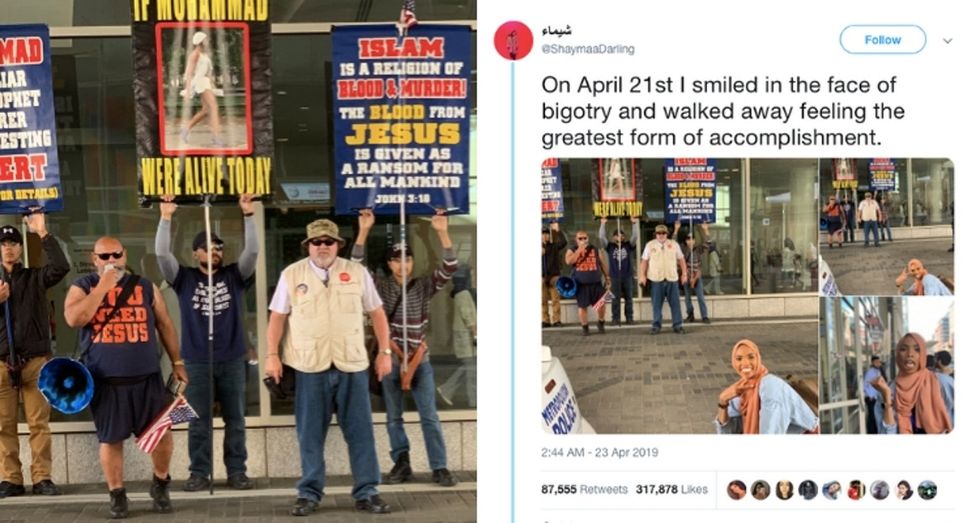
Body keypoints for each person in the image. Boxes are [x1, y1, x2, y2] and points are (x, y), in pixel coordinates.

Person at [265, 218, 393, 516]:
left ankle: (367, 492)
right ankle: (309, 493)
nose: (322, 246)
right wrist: (272, 355)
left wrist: (384, 352)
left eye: (328, 241)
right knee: (309, 434)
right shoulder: (291, 274)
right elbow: (277, 318)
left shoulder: (357, 272)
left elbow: (377, 314)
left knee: (361, 433)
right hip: (309, 366)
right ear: (307, 245)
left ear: (339, 245)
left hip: (352, 365)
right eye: (316, 242)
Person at [63, 237, 187, 518]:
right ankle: (117, 494)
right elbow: (74, 319)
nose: (111, 261)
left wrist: (177, 362)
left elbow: (165, 324)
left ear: (124, 255)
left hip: (148, 379)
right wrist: (102, 289)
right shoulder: (82, 287)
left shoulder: (144, 286)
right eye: (104, 256)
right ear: (94, 259)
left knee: (163, 434)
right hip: (107, 383)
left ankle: (160, 483)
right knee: (110, 440)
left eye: (116, 255)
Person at [155, 194, 258, 492]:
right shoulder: (184, 278)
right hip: (197, 360)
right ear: (195, 253)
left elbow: (252, 252)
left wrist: (249, 216)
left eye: (218, 248)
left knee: (235, 420)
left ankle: (237, 471)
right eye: (207, 248)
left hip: (233, 359)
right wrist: (165, 217)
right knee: (198, 421)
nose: (214, 252)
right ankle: (199, 472)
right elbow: (162, 255)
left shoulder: (234, 275)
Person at [351, 209, 459, 489]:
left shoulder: (423, 285)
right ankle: (402, 462)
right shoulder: (381, 287)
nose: (402, 265)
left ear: (412, 262)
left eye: (406, 259)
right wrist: (363, 231)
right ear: (389, 264)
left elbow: (449, 266)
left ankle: (440, 467)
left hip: (420, 359)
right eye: (396, 260)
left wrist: (441, 232)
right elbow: (356, 267)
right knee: (393, 417)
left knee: (430, 416)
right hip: (391, 357)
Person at [0, 214, 70, 498]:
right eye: (3, 243)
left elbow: (61, 267)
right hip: (2, 364)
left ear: (20, 248)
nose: (8, 248)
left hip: (34, 362)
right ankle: (11, 479)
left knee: (38, 424)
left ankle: (42, 477)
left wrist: (42, 233)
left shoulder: (34, 277)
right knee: (3, 425)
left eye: (13, 243)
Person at [715, 339, 818, 434]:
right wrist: (723, 401)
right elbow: (727, 433)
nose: (745, 363)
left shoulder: (771, 386)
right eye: (739, 359)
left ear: (758, 358)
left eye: (751, 357)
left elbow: (771, 431)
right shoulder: (741, 388)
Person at [871, 333, 953, 434]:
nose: (910, 354)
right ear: (897, 355)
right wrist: (887, 399)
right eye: (903, 349)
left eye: (917, 349)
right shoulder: (887, 390)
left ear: (923, 355)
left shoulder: (943, 383)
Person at [438, 266, 476, 408]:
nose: (473, 278)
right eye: (471, 275)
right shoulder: (464, 294)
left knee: (469, 368)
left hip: (463, 338)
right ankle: (472, 401)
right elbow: (469, 318)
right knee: (471, 370)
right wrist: (476, 336)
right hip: (466, 339)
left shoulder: (460, 294)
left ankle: (448, 390)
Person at [638, 224, 687, 335]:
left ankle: (678, 325)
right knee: (656, 305)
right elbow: (644, 261)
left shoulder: (674, 244)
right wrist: (642, 275)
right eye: (659, 233)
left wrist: (684, 274)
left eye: (663, 233)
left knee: (675, 304)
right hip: (656, 280)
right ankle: (656, 325)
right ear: (655, 234)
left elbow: (681, 259)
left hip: (671, 279)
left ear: (667, 234)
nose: (661, 235)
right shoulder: (650, 245)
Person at [179, 31, 224, 147]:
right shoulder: (195, 54)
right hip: (200, 83)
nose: (207, 41)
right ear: (200, 41)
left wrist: (213, 86)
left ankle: (186, 129)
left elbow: (208, 73)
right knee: (214, 107)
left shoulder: (204, 55)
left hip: (205, 83)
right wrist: (188, 89)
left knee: (206, 110)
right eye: (205, 39)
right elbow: (189, 73)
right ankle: (216, 137)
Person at [565, 230, 610, 336]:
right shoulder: (572, 249)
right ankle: (585, 327)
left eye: (585, 238)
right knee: (582, 306)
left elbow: (602, 263)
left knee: (602, 304)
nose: (583, 240)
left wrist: (607, 277)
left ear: (588, 238)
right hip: (581, 284)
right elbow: (569, 261)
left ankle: (601, 322)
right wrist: (579, 250)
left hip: (596, 282)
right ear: (576, 240)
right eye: (580, 238)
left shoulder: (595, 249)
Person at [598, 217, 639, 325]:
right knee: (615, 299)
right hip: (615, 276)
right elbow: (602, 237)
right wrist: (603, 224)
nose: (619, 237)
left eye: (621, 235)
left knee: (628, 299)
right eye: (617, 235)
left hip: (627, 276)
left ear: (624, 237)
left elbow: (635, 236)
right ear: (614, 237)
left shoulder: (628, 246)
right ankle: (615, 319)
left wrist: (634, 223)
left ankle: (629, 318)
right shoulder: (610, 247)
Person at [680, 223, 710, 324]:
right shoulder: (683, 250)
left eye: (692, 239)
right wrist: (676, 230)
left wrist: (705, 230)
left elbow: (707, 243)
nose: (690, 241)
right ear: (685, 241)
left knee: (700, 297)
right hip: (687, 276)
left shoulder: (698, 250)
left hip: (697, 277)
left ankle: (704, 316)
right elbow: (673, 243)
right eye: (688, 239)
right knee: (687, 298)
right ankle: (690, 315)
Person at [541, 223, 566, 327]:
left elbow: (564, 242)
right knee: (542, 300)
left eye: (547, 234)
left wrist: (557, 230)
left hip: (554, 276)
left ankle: (556, 320)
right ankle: (545, 320)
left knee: (556, 299)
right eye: (543, 234)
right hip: (541, 276)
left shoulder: (553, 246)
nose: (545, 236)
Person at [862, 356, 885, 434]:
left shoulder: (878, 371)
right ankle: (871, 432)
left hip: (876, 397)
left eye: (879, 362)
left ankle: (875, 431)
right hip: (871, 398)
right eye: (876, 362)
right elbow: (865, 385)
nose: (878, 363)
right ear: (872, 363)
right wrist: (870, 395)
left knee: (876, 416)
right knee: (872, 416)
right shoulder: (870, 372)